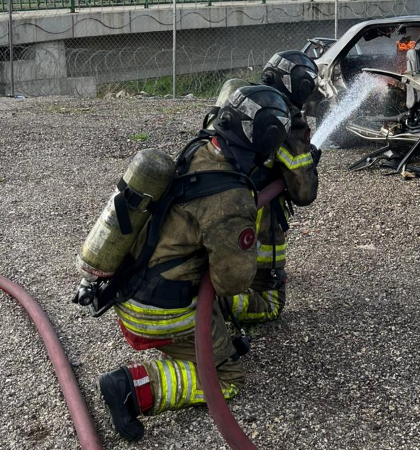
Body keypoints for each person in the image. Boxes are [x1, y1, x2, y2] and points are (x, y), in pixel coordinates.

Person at [96, 86, 292, 441]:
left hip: (132, 287)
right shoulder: (231, 201)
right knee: (227, 378)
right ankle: (132, 387)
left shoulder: (201, 149)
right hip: (160, 314)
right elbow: (231, 282)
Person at [214, 51, 321, 326]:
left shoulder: (243, 101)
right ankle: (207, 307)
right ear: (301, 86)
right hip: (253, 223)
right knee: (271, 305)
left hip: (212, 210)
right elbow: (304, 194)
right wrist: (309, 162)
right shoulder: (284, 122)